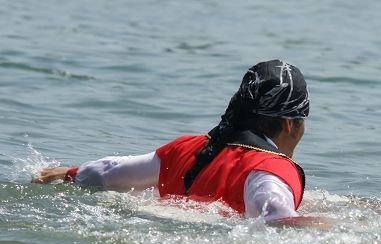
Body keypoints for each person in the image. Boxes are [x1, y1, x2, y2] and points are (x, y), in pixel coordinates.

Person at [32, 60, 319, 224]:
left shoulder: (187, 148)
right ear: (289, 123)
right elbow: (277, 215)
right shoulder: (271, 172)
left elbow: (107, 172)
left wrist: (68, 174)